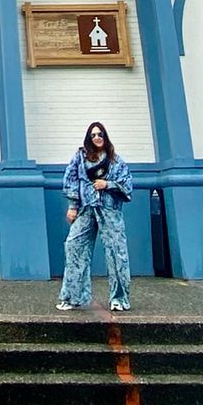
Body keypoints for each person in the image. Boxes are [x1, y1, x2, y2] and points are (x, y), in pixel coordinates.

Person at [57, 121, 133, 313]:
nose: (97, 137)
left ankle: (119, 298)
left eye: (100, 134)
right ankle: (73, 297)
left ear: (105, 137)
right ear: (88, 138)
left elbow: (127, 184)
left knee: (117, 253)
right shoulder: (80, 157)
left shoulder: (116, 161)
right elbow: (71, 179)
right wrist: (72, 206)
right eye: (93, 135)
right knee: (74, 246)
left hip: (110, 211)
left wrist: (108, 185)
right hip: (86, 209)